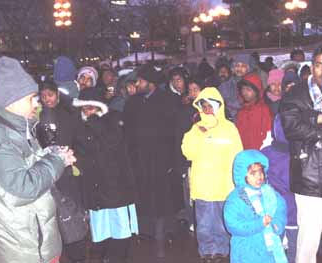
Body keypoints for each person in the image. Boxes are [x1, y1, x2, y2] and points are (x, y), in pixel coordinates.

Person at [0, 56, 77, 263]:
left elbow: (27, 162)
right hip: (20, 247)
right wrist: (56, 161)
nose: (37, 103)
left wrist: (54, 153)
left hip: (35, 237)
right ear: (14, 100)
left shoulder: (18, 128)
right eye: (32, 98)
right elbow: (23, 185)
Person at [123, 64, 183, 260]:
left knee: (164, 198)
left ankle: (166, 233)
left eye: (139, 81)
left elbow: (175, 133)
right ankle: (147, 231)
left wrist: (174, 161)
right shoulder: (133, 103)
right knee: (145, 195)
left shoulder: (168, 101)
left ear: (150, 83)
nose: (136, 84)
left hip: (163, 160)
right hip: (141, 160)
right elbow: (128, 133)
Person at [74, 92, 138, 263]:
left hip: (116, 185)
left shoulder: (113, 120)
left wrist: (95, 121)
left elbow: (112, 142)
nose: (88, 112)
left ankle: (118, 257)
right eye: (85, 108)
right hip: (96, 187)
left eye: (92, 107)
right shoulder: (80, 126)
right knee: (101, 229)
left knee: (120, 227)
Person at [182, 88, 243, 263]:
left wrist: (237, 181)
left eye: (211, 105)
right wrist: (198, 135)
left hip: (224, 185)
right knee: (204, 223)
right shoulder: (195, 128)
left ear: (218, 106)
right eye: (204, 105)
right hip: (203, 185)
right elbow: (188, 152)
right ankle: (207, 250)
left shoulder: (230, 128)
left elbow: (237, 154)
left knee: (222, 222)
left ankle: (222, 249)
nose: (207, 109)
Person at [280, 45, 322, 263]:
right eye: (318, 65)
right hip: (310, 174)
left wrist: (313, 117)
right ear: (311, 66)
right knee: (308, 238)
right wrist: (318, 122)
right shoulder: (295, 94)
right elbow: (291, 127)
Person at [37, 80, 86, 263]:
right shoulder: (39, 116)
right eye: (43, 96)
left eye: (49, 94)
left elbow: (78, 139)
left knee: (71, 211)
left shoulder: (69, 113)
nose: (46, 99)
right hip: (49, 172)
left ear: (57, 94)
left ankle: (77, 253)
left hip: (68, 170)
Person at [224, 150, 287, 263]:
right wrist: (259, 223)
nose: (259, 177)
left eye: (261, 172)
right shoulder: (236, 199)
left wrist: (278, 222)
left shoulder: (269, 192)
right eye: (253, 173)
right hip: (246, 249)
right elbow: (233, 224)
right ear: (242, 175)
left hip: (269, 248)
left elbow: (280, 208)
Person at [261, 115, 298, 263]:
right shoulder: (267, 152)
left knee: (288, 244)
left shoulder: (267, 152)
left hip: (291, 207)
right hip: (277, 207)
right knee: (278, 244)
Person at [236, 73, 273, 149]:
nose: (245, 93)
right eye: (243, 89)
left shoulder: (264, 110)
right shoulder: (241, 112)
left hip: (259, 153)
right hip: (244, 153)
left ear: (257, 92)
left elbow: (268, 135)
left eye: (248, 90)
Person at [218, 54, 256, 122]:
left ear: (249, 68)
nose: (239, 69)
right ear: (233, 68)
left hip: (250, 121)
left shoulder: (254, 84)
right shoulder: (224, 86)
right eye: (237, 65)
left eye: (243, 66)